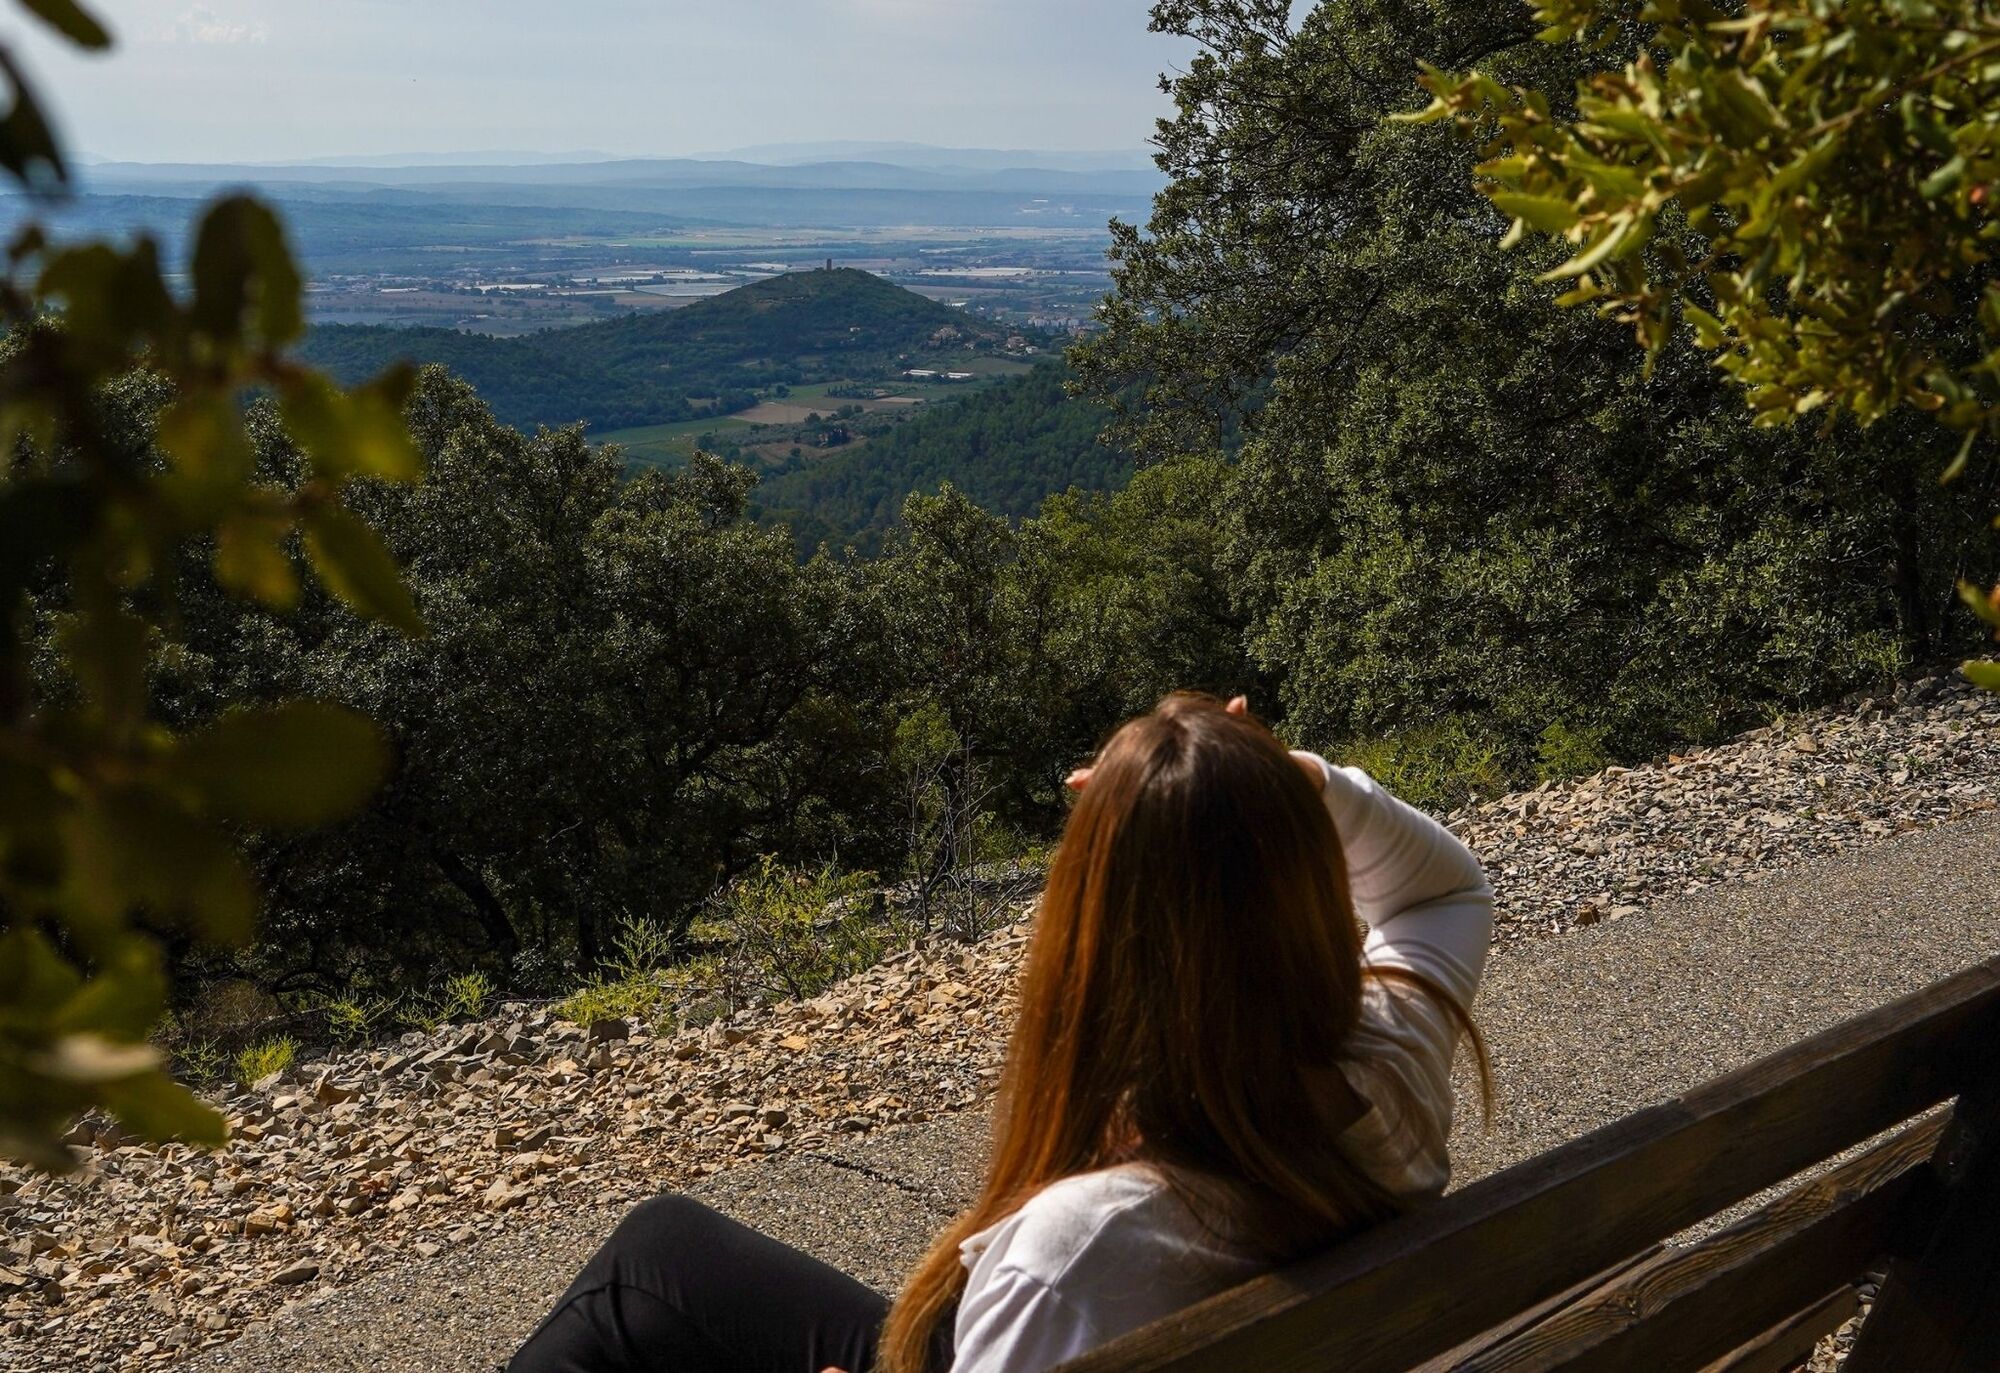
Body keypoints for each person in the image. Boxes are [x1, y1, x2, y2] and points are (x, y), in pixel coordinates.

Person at [510, 692, 1493, 1373]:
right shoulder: (1392, 1058)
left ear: (1095, 938)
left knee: (628, 1296)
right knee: (661, 1251)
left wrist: (1258, 786)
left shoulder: (1076, 1255)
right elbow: (1442, 890)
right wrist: (1277, 784)